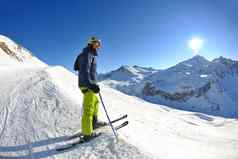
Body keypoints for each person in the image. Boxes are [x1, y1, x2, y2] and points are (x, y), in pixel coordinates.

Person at [74, 37, 107, 142]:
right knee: (88, 109)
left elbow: (77, 67)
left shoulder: (88, 54)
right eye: (97, 44)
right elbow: (84, 71)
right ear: (91, 44)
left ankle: (94, 123)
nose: (99, 46)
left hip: (89, 83)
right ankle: (87, 134)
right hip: (87, 84)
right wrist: (90, 84)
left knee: (95, 102)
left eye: (99, 44)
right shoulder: (87, 54)